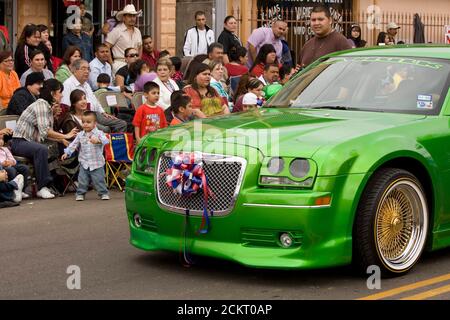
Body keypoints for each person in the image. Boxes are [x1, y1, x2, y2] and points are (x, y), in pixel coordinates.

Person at [11, 79, 79, 199]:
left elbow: (46, 134)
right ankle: (43, 187)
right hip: (19, 142)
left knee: (66, 145)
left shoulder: (47, 106)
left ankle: (71, 180)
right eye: (60, 92)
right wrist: (65, 135)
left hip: (31, 141)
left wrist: (62, 140)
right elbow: (45, 131)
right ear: (52, 93)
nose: (62, 95)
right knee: (41, 149)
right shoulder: (41, 104)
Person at [61, 59, 127, 133]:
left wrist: (103, 112)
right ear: (74, 71)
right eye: (83, 69)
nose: (87, 71)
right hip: (83, 117)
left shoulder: (86, 84)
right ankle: (107, 143)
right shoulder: (68, 84)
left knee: (121, 124)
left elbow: (95, 101)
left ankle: (117, 143)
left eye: (88, 69)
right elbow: (67, 107)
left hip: (95, 114)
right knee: (105, 129)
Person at [61, 111, 110, 201]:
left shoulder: (99, 133)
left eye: (88, 122)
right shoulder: (80, 135)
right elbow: (73, 144)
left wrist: (98, 141)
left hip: (97, 162)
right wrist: (67, 152)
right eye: (83, 122)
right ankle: (80, 193)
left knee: (99, 180)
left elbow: (107, 141)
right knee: (82, 180)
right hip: (84, 162)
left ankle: (103, 193)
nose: (85, 124)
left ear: (95, 123)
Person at [105, 4, 143, 74]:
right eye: (129, 16)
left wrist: (138, 61)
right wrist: (112, 63)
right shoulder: (117, 30)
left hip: (135, 65)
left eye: (134, 16)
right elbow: (106, 46)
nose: (132, 18)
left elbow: (140, 47)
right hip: (120, 63)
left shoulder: (137, 31)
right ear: (124, 17)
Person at [0, 136, 30, 200]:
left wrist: (11, 162)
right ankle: (14, 189)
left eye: (1, 139)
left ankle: (22, 190)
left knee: (24, 168)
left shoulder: (5, 149)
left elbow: (13, 160)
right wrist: (3, 163)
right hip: (2, 167)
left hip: (9, 164)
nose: (1, 141)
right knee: (11, 170)